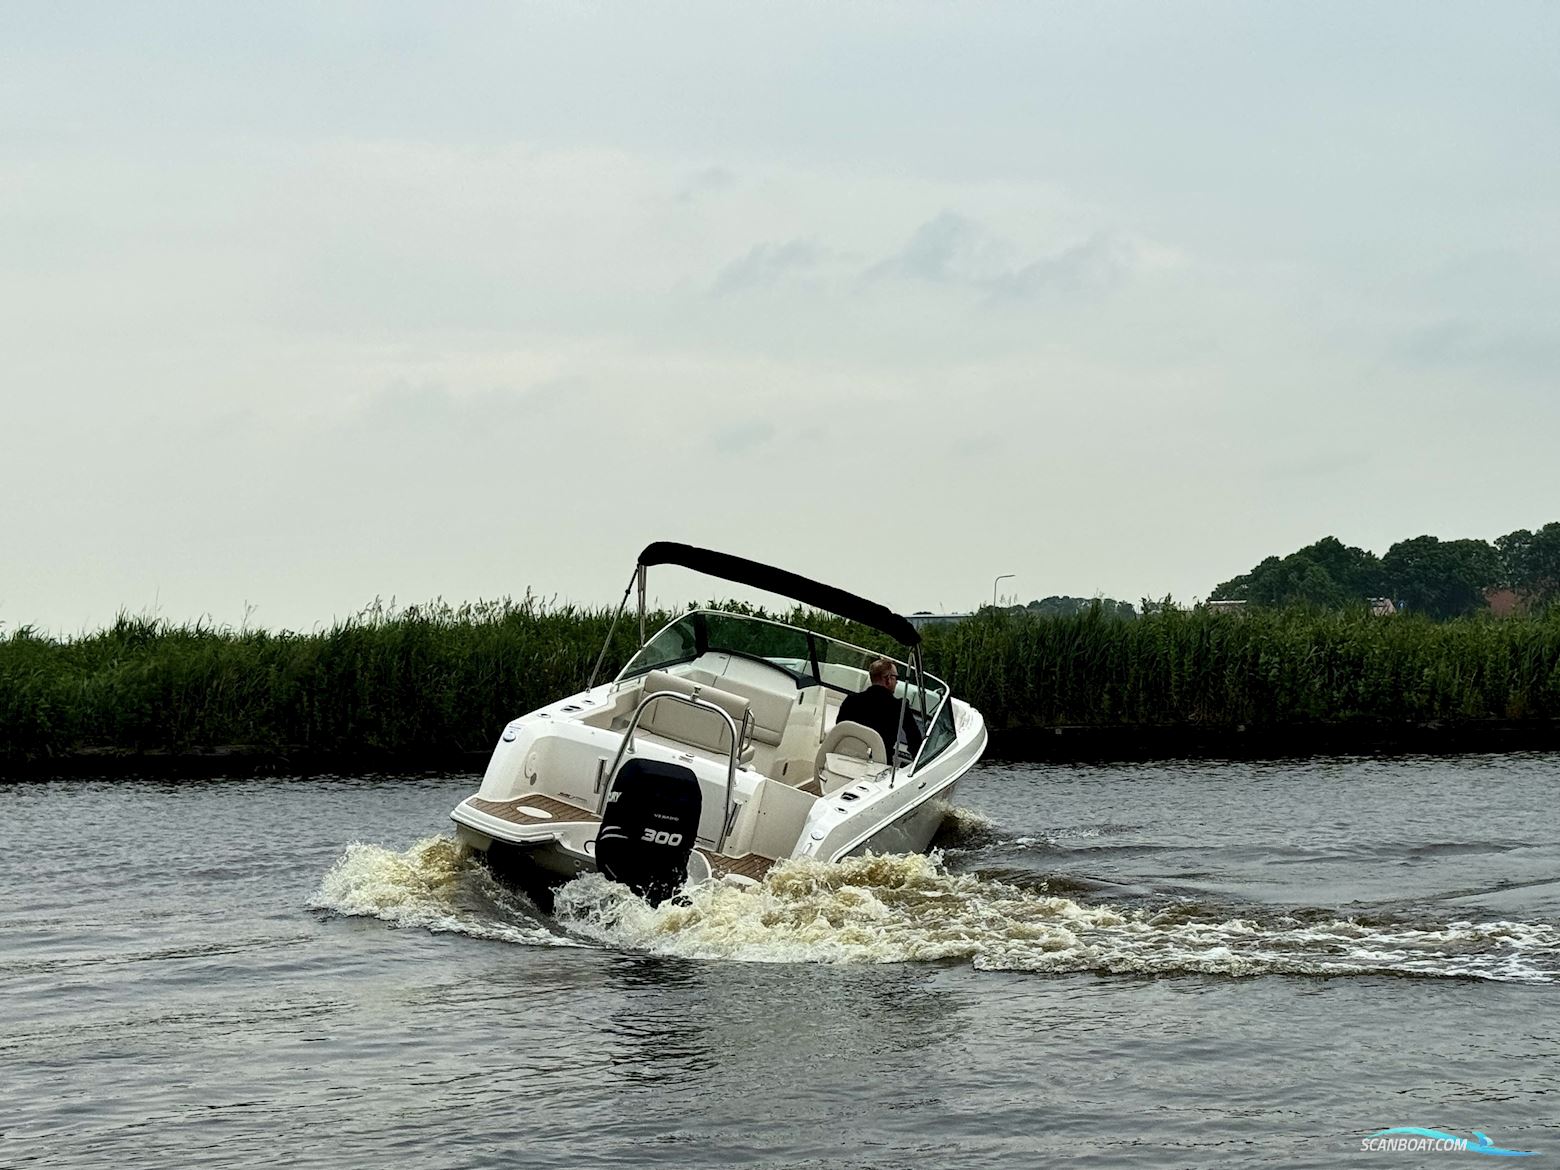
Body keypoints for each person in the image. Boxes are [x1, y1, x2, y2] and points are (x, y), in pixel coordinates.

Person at [837, 658, 923, 760]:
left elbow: (839, 730)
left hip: (846, 760)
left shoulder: (851, 700)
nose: (897, 682)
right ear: (888, 679)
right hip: (880, 765)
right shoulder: (900, 707)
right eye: (896, 678)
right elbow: (915, 742)